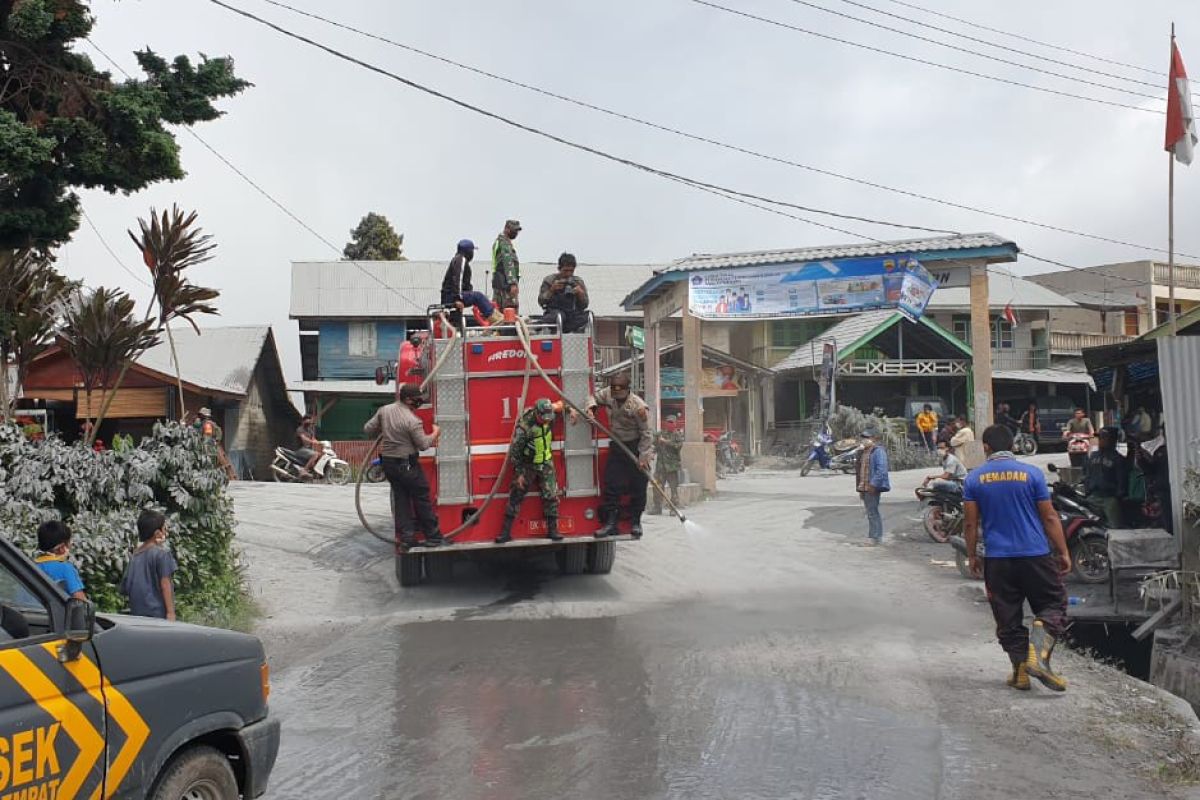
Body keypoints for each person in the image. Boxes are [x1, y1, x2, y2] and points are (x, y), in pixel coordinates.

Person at [963, 424, 1070, 692]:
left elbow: (969, 523)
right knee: (1054, 603)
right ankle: (1038, 655)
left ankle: (1020, 671)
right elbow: (1048, 516)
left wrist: (972, 555)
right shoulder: (1032, 474)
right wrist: (1063, 551)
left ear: (986, 447)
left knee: (1007, 617)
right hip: (1035, 555)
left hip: (998, 559)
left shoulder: (974, 479)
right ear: (1012, 446)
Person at [364, 383, 444, 549]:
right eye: (418, 400)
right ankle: (433, 537)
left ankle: (407, 537)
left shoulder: (384, 410)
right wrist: (435, 433)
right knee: (421, 497)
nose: (420, 402)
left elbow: (368, 429)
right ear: (408, 399)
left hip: (389, 463)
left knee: (401, 498)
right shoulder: (412, 421)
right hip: (406, 465)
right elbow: (423, 445)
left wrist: (384, 428)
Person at [495, 398, 578, 544]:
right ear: (536, 413)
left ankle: (552, 531)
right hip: (528, 465)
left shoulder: (549, 412)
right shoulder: (524, 427)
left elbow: (562, 403)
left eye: (548, 418)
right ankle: (505, 532)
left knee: (551, 495)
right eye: (543, 418)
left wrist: (570, 410)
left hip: (546, 463)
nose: (546, 421)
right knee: (516, 495)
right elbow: (515, 453)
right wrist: (519, 473)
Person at [587, 372, 653, 539]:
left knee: (638, 486)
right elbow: (592, 397)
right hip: (618, 446)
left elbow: (646, 433)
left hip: (635, 446)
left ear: (627, 390)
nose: (618, 399)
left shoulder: (638, 407)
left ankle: (636, 522)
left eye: (621, 396)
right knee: (612, 484)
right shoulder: (609, 394)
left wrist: (643, 457)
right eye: (616, 396)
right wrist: (591, 408)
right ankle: (611, 523)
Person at [121, 510, 178, 620]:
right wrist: (171, 613)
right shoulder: (162, 554)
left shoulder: (135, 555)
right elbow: (165, 584)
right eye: (164, 529)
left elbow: (126, 587)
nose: (166, 532)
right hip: (158, 615)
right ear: (157, 533)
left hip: (137, 615)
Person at [442, 239, 503, 327]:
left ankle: (496, 317)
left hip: (450, 296)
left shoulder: (457, 260)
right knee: (478, 296)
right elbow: (457, 280)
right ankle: (496, 319)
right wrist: (457, 298)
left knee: (476, 297)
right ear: (468, 251)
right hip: (451, 296)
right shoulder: (461, 260)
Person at [1084, 427, 1129, 528]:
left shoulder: (1118, 459)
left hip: (1110, 499)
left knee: (1115, 528)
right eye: (1100, 438)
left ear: (1112, 440)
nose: (1101, 441)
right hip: (1093, 497)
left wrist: (1118, 495)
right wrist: (1088, 491)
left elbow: (1122, 480)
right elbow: (1087, 475)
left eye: (1104, 438)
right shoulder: (1093, 456)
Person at [538, 252, 590, 333]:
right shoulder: (549, 280)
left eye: (571, 271)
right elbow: (541, 301)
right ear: (559, 268)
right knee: (559, 316)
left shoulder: (578, 282)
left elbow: (584, 305)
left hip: (572, 313)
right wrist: (551, 290)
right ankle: (538, 326)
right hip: (555, 312)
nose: (568, 274)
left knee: (588, 316)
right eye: (565, 271)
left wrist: (580, 294)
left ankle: (568, 330)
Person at [34, 520, 86, 600]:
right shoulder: (66, 568)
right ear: (61, 548)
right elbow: (81, 601)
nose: (70, 546)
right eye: (69, 542)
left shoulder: (31, 566)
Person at [856, 428, 890, 546]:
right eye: (863, 438)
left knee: (872, 512)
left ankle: (875, 538)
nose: (864, 440)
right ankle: (875, 537)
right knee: (870, 512)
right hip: (864, 487)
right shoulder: (864, 452)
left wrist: (873, 484)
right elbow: (861, 471)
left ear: (874, 439)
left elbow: (881, 470)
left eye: (867, 438)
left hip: (872, 487)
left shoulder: (878, 451)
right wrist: (860, 488)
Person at [648, 417, 683, 516]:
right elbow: (654, 445)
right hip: (661, 466)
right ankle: (657, 507)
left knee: (673, 488)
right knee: (657, 487)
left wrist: (665, 441)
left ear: (675, 424)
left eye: (672, 422)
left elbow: (678, 446)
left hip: (672, 467)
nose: (670, 424)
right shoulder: (660, 434)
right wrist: (651, 454)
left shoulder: (677, 435)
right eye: (668, 422)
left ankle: (673, 509)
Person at [491, 219, 521, 312]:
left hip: (499, 282)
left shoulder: (498, 241)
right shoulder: (504, 243)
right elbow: (508, 262)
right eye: (514, 230)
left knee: (498, 312)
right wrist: (512, 283)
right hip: (506, 285)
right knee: (510, 312)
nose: (516, 233)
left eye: (517, 231)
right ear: (507, 229)